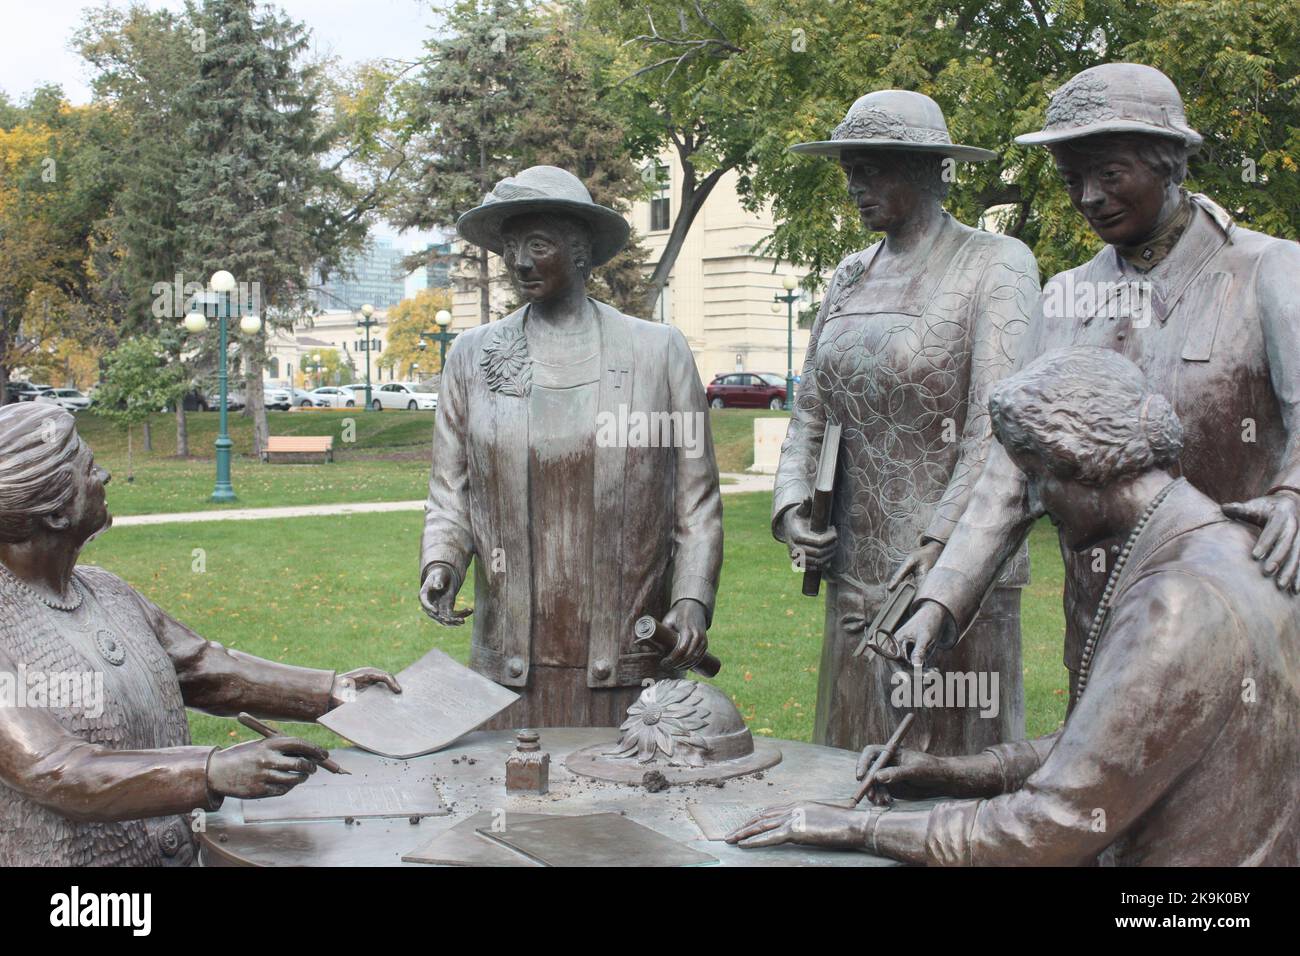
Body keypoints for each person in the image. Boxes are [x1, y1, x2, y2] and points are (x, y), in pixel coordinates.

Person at [727, 347, 1299, 865]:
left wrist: (860, 828)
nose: (1035, 502)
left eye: (1035, 478)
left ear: (1079, 463)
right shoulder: (1227, 542)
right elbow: (1108, 746)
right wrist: (951, 773)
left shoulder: (1173, 603)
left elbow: (1045, 828)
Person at [900, 64, 1300, 710]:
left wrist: (1294, 494)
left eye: (1109, 175)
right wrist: (940, 601)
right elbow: (1009, 474)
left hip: (1242, 636)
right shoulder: (1063, 302)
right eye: (1071, 179)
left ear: (1170, 163)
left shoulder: (1270, 274)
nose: (1088, 196)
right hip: (1103, 645)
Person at [0, 402, 400, 866]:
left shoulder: (106, 591)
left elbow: (201, 667)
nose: (105, 476)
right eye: (89, 470)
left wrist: (332, 692)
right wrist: (211, 770)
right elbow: (55, 771)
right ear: (54, 513)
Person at [775, 90, 1039, 754]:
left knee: (942, 779)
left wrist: (942, 546)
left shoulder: (996, 266)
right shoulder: (847, 278)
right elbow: (809, 411)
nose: (855, 185)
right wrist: (791, 509)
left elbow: (996, 429)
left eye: (873, 168)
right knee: (843, 769)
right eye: (849, 170)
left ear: (929, 170)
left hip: (955, 582)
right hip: (852, 581)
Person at [419, 165, 723, 728]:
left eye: (539, 245)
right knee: (508, 808)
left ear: (581, 253)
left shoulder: (657, 353)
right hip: (507, 668)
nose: (521, 262)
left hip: (630, 662)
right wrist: (441, 561)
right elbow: (450, 492)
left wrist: (690, 601)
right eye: (512, 247)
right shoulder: (472, 356)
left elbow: (696, 504)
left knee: (630, 808)